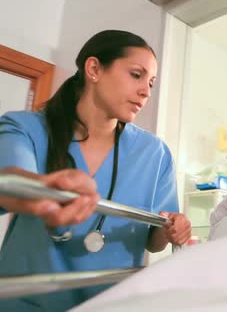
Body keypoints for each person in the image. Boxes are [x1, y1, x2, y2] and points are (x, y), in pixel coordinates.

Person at [0, 30, 191, 311]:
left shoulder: (155, 154)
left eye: (151, 83)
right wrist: (43, 190)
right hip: (25, 302)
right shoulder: (26, 128)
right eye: (136, 75)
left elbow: (154, 241)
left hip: (111, 304)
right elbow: (8, 182)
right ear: (94, 69)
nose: (146, 92)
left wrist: (173, 228)